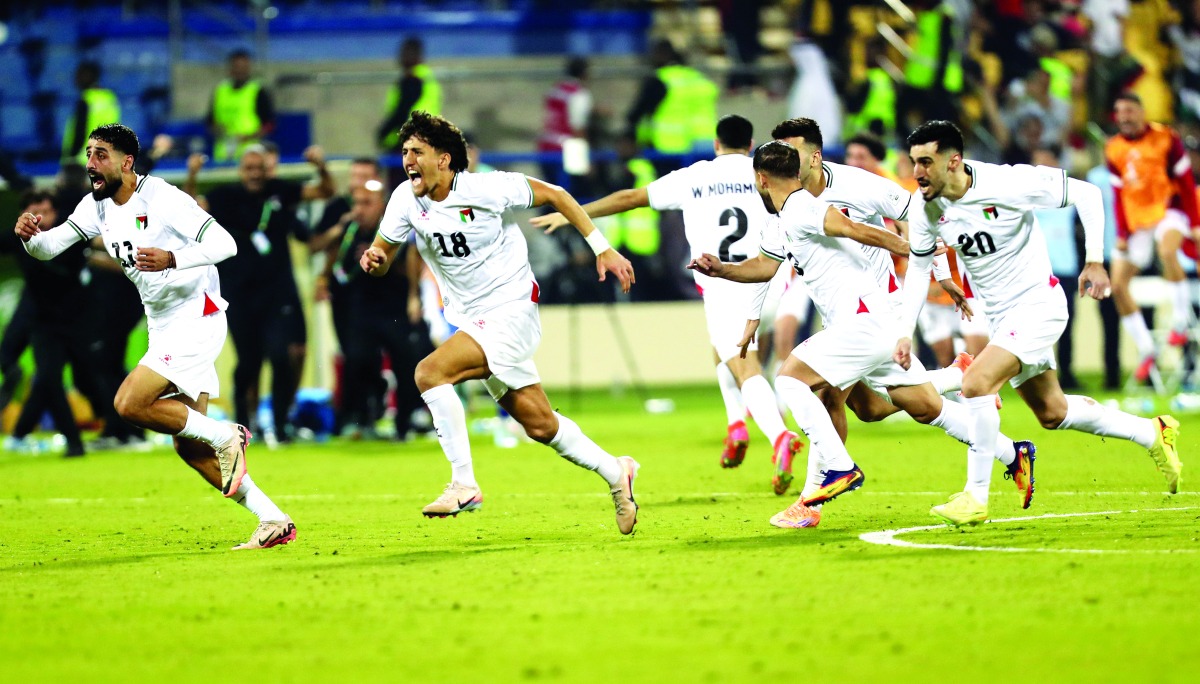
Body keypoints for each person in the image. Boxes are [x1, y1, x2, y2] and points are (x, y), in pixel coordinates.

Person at [689, 141, 1028, 530]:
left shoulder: (803, 207)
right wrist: (722, 269)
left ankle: (835, 473)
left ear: (761, 179)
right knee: (896, 407)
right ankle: (1009, 448)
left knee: (791, 381)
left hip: (863, 321)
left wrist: (912, 249)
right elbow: (764, 267)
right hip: (865, 325)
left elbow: (855, 229)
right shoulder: (780, 220)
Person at [14, 123, 295, 549]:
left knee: (129, 403)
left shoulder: (162, 197)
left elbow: (226, 245)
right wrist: (30, 238)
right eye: (89, 154)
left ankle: (227, 434)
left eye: (101, 154)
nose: (91, 163)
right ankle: (272, 518)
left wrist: (172, 257)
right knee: (190, 448)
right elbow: (49, 247)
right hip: (163, 323)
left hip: (196, 316)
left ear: (127, 162)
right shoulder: (95, 206)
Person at [360, 111, 639, 534]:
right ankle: (617, 472)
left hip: (511, 309)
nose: (408, 160)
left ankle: (464, 484)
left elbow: (557, 194)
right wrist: (375, 260)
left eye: (417, 151)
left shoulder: (487, 188)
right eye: (404, 152)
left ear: (444, 159)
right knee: (540, 424)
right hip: (472, 319)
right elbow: (383, 257)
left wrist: (602, 248)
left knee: (429, 373)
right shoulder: (404, 199)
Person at [898, 120, 1183, 527]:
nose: (917, 172)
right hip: (1002, 318)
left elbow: (1086, 193)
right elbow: (918, 268)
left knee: (975, 383)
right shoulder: (926, 207)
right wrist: (904, 332)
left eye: (926, 162)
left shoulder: (1007, 183)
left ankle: (975, 497)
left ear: (954, 161)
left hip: (1038, 305)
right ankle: (1152, 432)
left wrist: (1094, 260)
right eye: (914, 162)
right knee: (1053, 411)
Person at [533, 115, 804, 494]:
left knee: (745, 367)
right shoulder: (765, 173)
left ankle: (779, 436)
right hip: (772, 281)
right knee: (722, 350)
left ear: (716, 144)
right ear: (750, 144)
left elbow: (629, 198)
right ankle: (736, 425)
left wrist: (573, 214)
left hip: (725, 283)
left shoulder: (695, 177)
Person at [201, 144, 333, 443]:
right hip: (239, 293)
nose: (255, 174)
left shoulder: (281, 191)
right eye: (249, 168)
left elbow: (325, 190)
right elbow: (192, 209)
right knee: (248, 362)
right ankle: (244, 425)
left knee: (280, 356)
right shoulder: (225, 196)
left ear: (267, 169)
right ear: (241, 171)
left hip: (276, 294)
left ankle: (280, 423)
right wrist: (194, 175)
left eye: (259, 168)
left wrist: (320, 166)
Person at [1105, 92, 1200, 383]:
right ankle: (1147, 349)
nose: (1125, 117)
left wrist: (1195, 222)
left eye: (1130, 110)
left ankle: (1180, 321)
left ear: (1142, 112)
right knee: (1117, 284)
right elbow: (1118, 194)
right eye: (1120, 111)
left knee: (1167, 251)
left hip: (1169, 208)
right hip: (1138, 220)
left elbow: (1185, 182)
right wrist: (1122, 233)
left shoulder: (1165, 138)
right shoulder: (1114, 148)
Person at [2, 190, 89, 457]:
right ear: (22, 215)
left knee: (87, 378)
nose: (41, 218)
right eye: (35, 212)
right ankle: (74, 442)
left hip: (77, 322)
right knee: (49, 378)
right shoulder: (19, 237)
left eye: (47, 212)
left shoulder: (68, 236)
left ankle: (19, 434)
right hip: (44, 324)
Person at [626, 39, 719, 174]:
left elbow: (636, 113)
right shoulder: (697, 78)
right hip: (705, 144)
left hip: (668, 147)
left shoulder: (660, 79)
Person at [206, 49, 276, 163]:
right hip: (223, 155)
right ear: (230, 68)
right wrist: (217, 130)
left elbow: (269, 124)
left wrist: (248, 137)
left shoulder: (258, 91)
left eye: (243, 67)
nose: (240, 71)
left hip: (250, 156)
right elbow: (210, 121)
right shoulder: (220, 90)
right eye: (237, 67)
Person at [537, 56, 594, 190]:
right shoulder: (579, 94)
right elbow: (578, 127)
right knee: (568, 193)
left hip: (546, 146)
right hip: (567, 150)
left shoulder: (555, 90)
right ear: (585, 73)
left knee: (548, 192)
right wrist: (586, 160)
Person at [377, 37, 441, 154]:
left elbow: (402, 110)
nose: (402, 57)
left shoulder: (413, 78)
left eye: (406, 53)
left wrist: (383, 132)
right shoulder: (427, 76)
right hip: (426, 137)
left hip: (409, 137)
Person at [62, 61, 120, 165]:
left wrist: (71, 158)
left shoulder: (86, 100)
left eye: (79, 75)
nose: (76, 79)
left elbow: (80, 131)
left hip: (82, 161)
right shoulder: (110, 98)